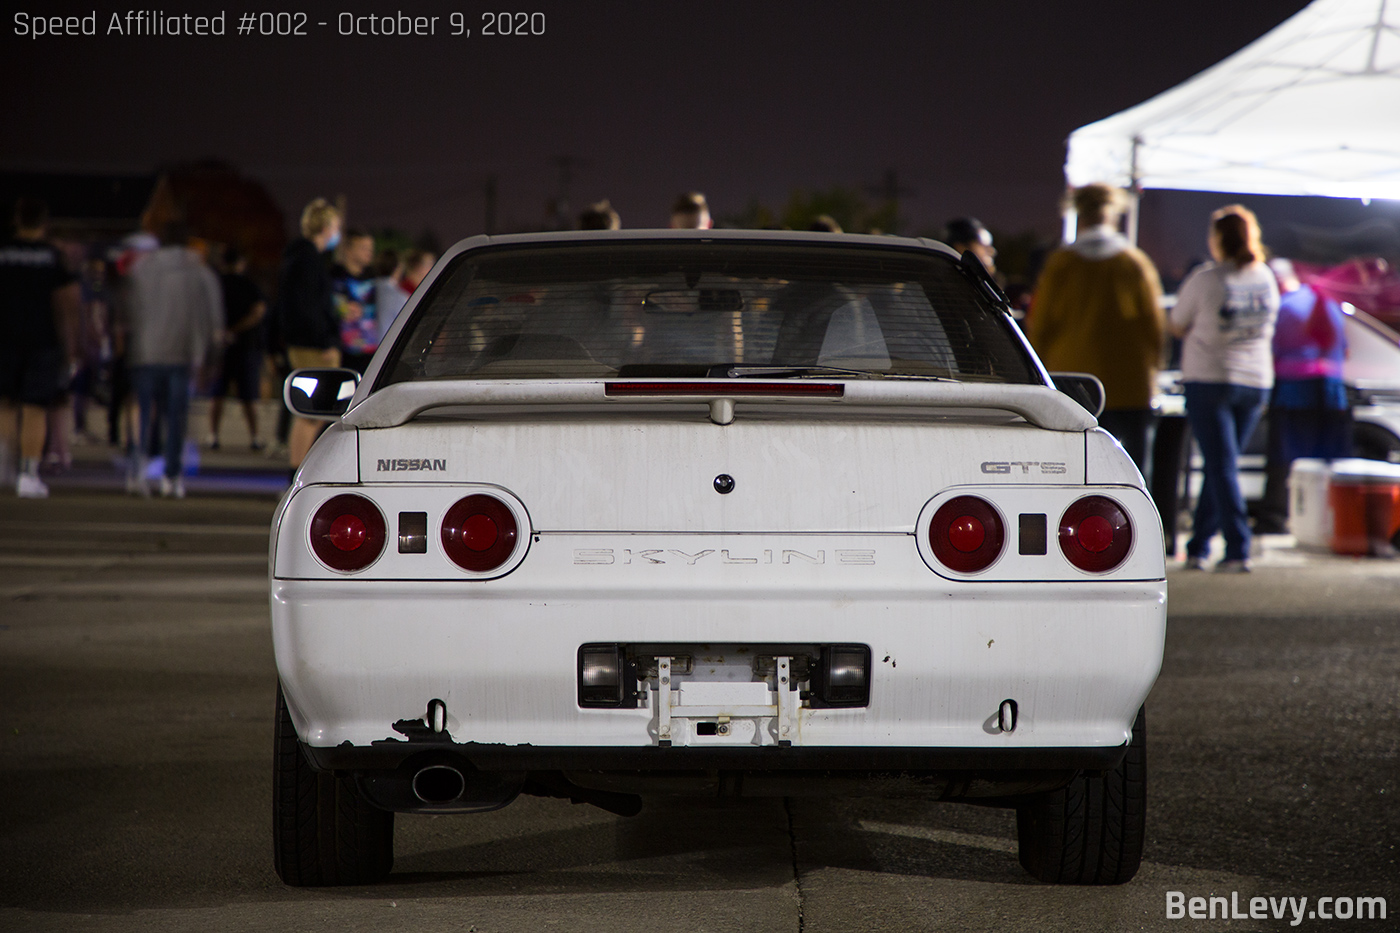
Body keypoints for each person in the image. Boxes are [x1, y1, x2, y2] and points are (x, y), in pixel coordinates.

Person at [1027, 183, 1166, 480]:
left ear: (1079, 213)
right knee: (1134, 474)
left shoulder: (1062, 263)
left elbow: (1040, 326)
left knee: (1073, 471)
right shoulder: (1134, 263)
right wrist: (1155, 369)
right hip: (1130, 383)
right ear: (1114, 214)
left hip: (1073, 384)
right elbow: (1153, 326)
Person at [1170, 205, 1280, 572]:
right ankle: (1199, 546)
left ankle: (1237, 549)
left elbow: (1176, 322)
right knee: (1223, 466)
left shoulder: (1206, 279)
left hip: (1210, 379)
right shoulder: (1265, 277)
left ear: (1217, 239)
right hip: (1255, 382)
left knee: (1221, 465)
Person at [125, 220, 224, 498]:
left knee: (143, 414)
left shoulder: (142, 269)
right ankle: (172, 476)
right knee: (176, 418)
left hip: (145, 352)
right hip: (183, 353)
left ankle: (136, 470)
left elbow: (129, 310)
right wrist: (210, 357)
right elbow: (214, 320)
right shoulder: (200, 273)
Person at [1257, 257, 1351, 533]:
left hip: (1294, 393)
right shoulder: (1327, 303)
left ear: (1277, 282)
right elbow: (1343, 350)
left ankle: (1275, 519)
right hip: (1331, 393)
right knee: (1324, 462)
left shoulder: (1283, 307)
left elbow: (1269, 351)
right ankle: (1325, 520)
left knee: (1284, 460)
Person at [0, 197, 80, 498]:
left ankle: (3, 464)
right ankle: (28, 474)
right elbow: (68, 302)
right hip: (42, 341)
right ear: (44, 223)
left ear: (16, 220)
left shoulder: (3, 252)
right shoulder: (52, 256)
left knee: (5, 403)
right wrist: (73, 344)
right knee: (34, 409)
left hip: (4, 339)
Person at [274, 198, 342, 474]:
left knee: (311, 412)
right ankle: (297, 472)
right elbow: (309, 307)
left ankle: (298, 469)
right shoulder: (308, 261)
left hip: (301, 342)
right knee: (311, 413)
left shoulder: (296, 258)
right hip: (312, 346)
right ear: (325, 227)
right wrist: (325, 340)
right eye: (335, 225)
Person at [208, 245, 268, 450]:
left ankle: (213, 435)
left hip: (221, 346)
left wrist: (224, 331)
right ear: (240, 263)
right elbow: (259, 310)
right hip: (246, 346)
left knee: (218, 394)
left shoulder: (216, 285)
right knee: (248, 395)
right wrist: (240, 329)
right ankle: (255, 437)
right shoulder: (248, 285)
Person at [330, 229, 378, 374]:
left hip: (370, 349)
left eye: (370, 248)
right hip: (343, 351)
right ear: (349, 250)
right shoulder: (334, 276)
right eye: (363, 248)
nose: (369, 252)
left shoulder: (373, 277)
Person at [375, 248, 435, 345]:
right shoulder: (405, 292)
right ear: (419, 267)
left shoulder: (415, 291)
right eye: (430, 265)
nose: (432, 269)